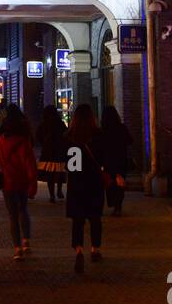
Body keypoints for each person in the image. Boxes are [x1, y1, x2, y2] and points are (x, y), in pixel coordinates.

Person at [64, 103, 106, 273]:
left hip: (75, 184)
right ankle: (95, 249)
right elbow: (103, 159)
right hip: (94, 183)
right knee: (95, 218)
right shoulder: (98, 135)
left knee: (77, 220)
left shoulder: (69, 136)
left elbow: (66, 163)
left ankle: (79, 249)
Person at [0, 103, 38, 259]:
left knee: (12, 215)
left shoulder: (0, 143)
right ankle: (26, 241)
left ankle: (17, 248)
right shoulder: (24, 143)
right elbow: (30, 165)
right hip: (22, 181)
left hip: (7, 182)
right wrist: (33, 184)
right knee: (23, 210)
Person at [100, 105, 133, 217]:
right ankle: (118, 205)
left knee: (110, 183)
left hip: (108, 161)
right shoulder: (121, 128)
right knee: (120, 182)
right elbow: (130, 141)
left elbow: (100, 146)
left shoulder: (103, 130)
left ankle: (114, 204)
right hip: (121, 159)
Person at [36, 104, 68, 203]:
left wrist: (44, 143)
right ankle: (59, 190)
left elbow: (38, 136)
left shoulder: (44, 124)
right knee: (59, 171)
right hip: (59, 151)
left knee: (50, 174)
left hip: (48, 152)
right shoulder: (60, 123)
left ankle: (52, 195)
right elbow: (65, 135)